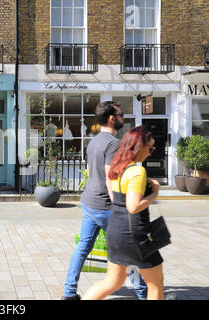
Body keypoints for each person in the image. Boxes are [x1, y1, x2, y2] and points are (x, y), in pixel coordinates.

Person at [62, 101, 148, 300]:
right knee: (130, 249)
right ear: (112, 118)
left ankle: (68, 293)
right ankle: (146, 295)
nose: (123, 117)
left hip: (90, 201)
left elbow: (91, 172)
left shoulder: (93, 141)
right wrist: (120, 208)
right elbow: (112, 177)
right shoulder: (112, 143)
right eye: (120, 114)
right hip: (106, 207)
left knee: (82, 248)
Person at [83, 126, 165, 300]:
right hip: (135, 234)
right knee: (155, 284)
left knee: (112, 282)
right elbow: (133, 207)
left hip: (116, 230)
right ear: (138, 146)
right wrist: (154, 193)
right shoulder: (137, 171)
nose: (150, 153)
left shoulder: (117, 168)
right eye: (149, 148)